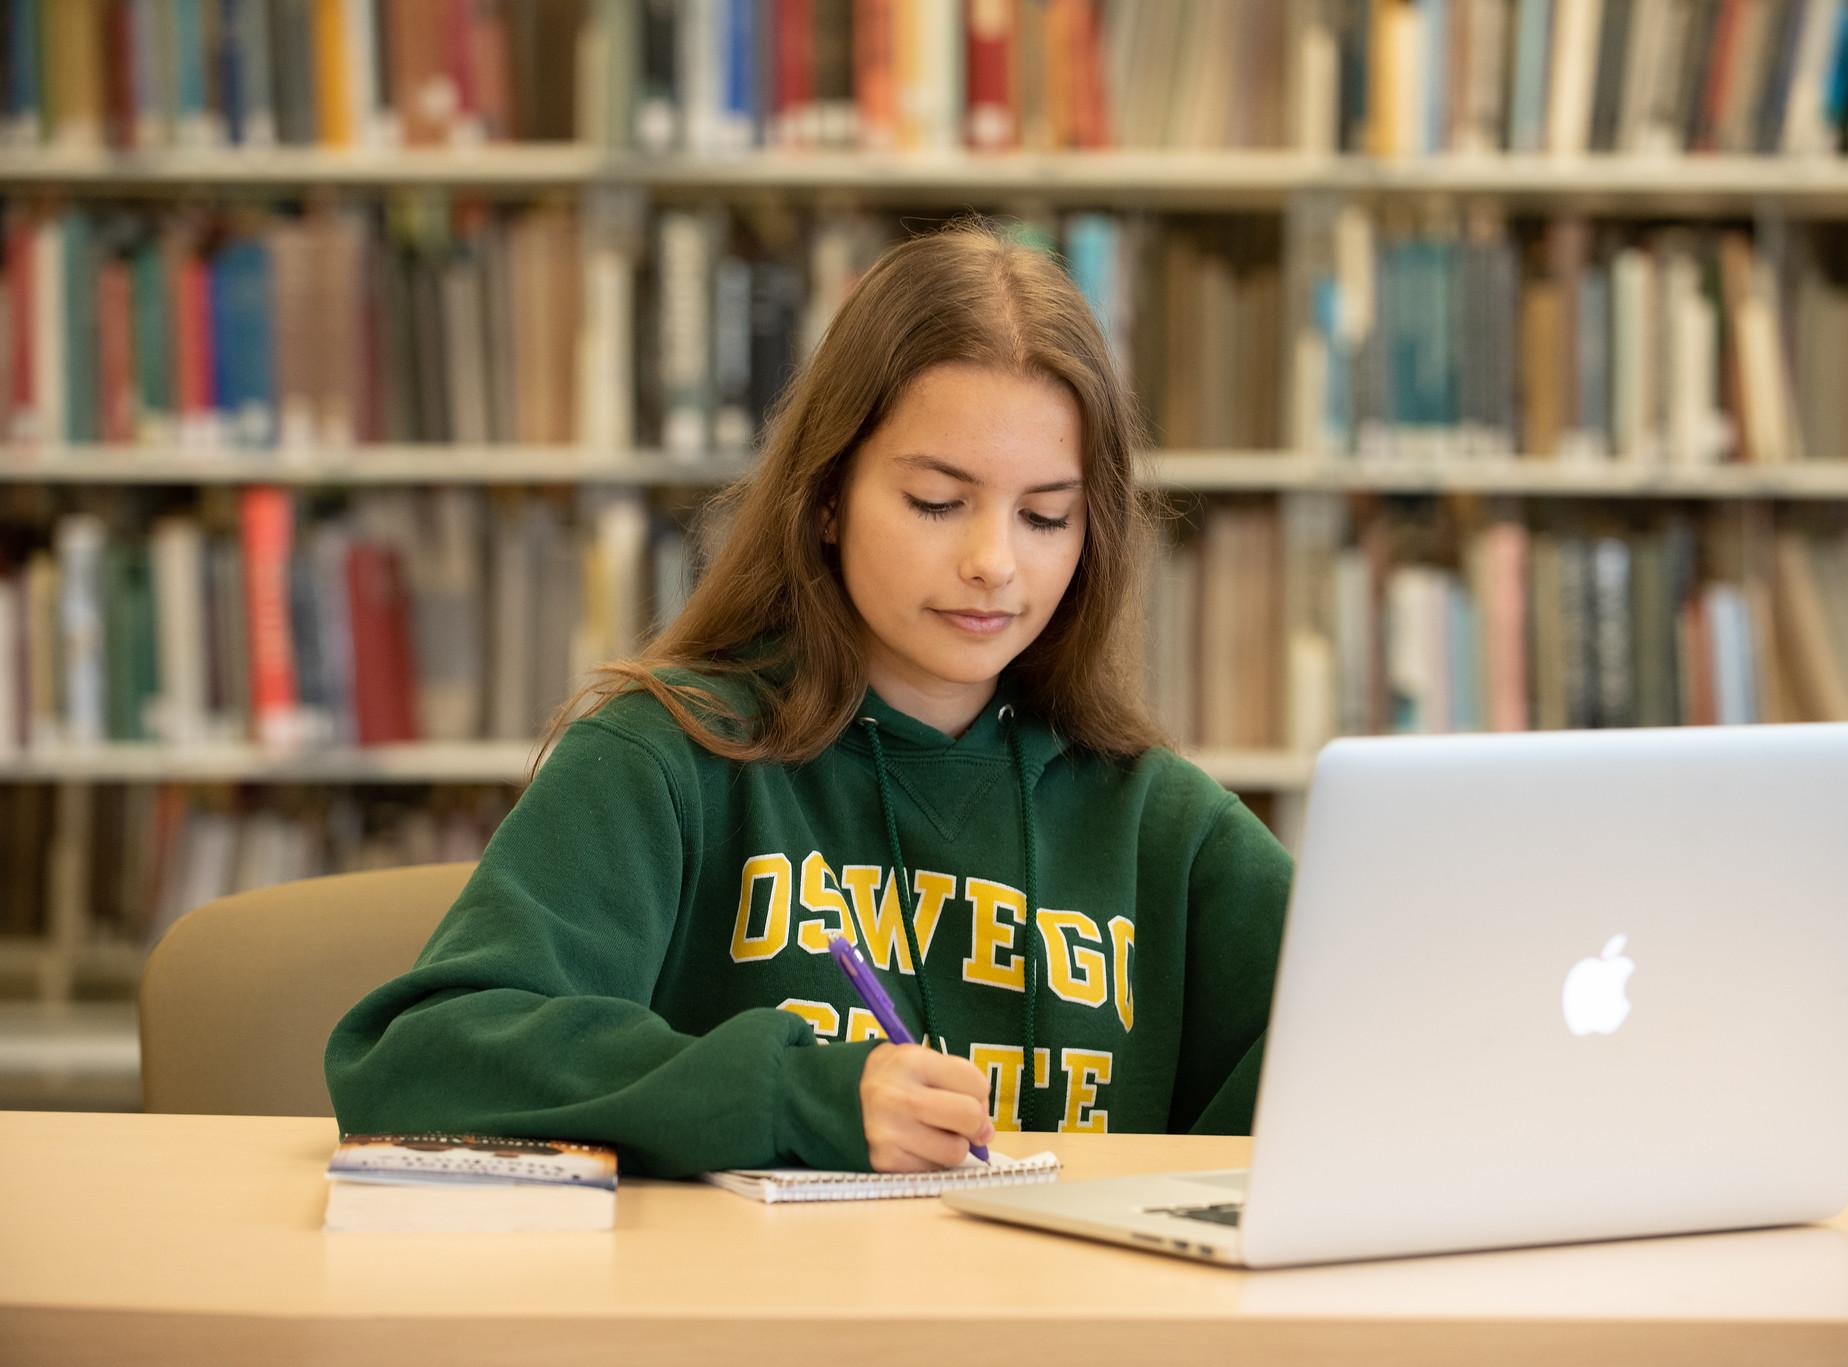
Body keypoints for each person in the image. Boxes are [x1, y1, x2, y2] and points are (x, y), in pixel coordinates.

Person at [325, 219, 1294, 1177]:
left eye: (1045, 515)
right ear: (826, 495)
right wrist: (792, 1094)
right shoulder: (665, 758)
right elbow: (419, 1055)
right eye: (935, 502)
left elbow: (1382, 1043)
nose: (993, 562)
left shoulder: (1161, 824)